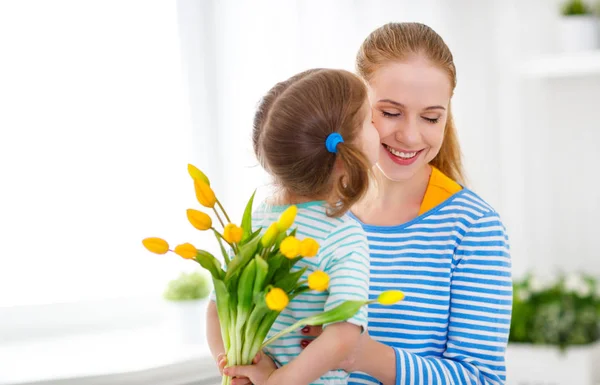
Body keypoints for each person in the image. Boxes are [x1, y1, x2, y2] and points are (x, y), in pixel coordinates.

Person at [228, 22, 513, 385]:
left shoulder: (473, 228)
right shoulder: (306, 213)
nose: (410, 135)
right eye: (390, 113)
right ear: (357, 108)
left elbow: (483, 379)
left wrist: (363, 355)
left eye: (431, 117)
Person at [206, 68, 381, 385]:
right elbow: (343, 333)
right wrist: (278, 380)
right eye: (370, 119)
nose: (378, 126)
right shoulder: (342, 234)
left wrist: (234, 367)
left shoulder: (256, 220)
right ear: (344, 154)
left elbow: (217, 307)